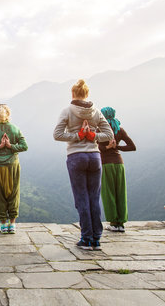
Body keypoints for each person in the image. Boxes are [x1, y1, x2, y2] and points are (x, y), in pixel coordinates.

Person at [53, 79, 113, 251]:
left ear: (73, 94)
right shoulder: (96, 112)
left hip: (76, 156)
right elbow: (108, 134)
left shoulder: (67, 111)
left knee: (82, 198)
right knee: (94, 197)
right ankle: (96, 239)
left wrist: (78, 136)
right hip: (95, 156)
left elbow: (57, 134)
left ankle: (86, 238)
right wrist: (93, 136)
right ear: (87, 94)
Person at [0, 104, 28, 234]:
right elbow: (24, 146)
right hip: (12, 165)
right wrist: (10, 146)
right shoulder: (15, 129)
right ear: (8, 114)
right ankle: (12, 224)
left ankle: (3, 224)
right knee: (13, 192)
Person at [99, 107, 136, 233]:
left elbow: (97, 148)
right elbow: (132, 147)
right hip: (119, 164)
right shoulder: (119, 129)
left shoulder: (101, 130)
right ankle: (121, 224)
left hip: (106, 164)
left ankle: (113, 223)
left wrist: (107, 147)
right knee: (120, 192)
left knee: (108, 193)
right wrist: (117, 147)